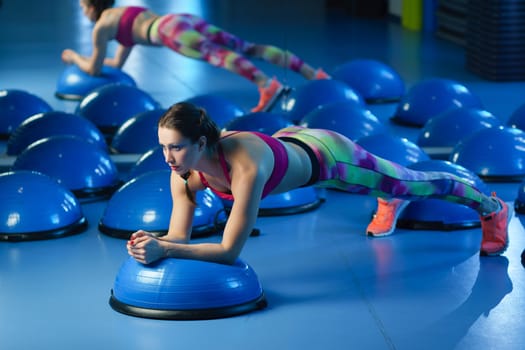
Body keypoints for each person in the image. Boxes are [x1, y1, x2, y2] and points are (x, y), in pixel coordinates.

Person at [127, 102, 511, 265]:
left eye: (175, 148)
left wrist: (170, 252)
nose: (167, 158)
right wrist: (157, 242)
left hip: (328, 156)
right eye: (163, 147)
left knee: (412, 183)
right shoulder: (182, 177)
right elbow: (179, 236)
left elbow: (229, 250)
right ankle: (387, 200)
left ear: (201, 143)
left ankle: (492, 208)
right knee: (393, 190)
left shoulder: (243, 169)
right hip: (286, 140)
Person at [61, 0, 330, 112]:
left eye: (83, 4)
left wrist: (74, 57)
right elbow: (116, 63)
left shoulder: (101, 28)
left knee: (220, 57)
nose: (83, 10)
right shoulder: (120, 16)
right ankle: (313, 73)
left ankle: (265, 85)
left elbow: (94, 69)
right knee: (246, 46)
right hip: (180, 20)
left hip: (169, 32)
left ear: (92, 5)